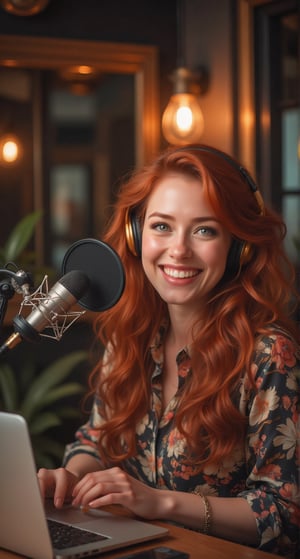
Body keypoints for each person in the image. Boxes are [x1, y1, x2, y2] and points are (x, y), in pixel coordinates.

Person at [38, 144, 300, 557]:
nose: (178, 250)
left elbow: (284, 515)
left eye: (204, 230)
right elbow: (95, 441)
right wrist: (68, 478)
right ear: (136, 235)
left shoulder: (270, 354)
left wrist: (160, 502)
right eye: (162, 226)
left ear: (239, 246)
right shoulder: (132, 334)